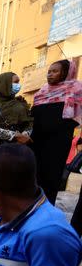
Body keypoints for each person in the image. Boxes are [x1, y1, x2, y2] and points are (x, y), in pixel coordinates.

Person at [30, 60, 82, 204]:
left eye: (55, 71)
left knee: (50, 181)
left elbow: (75, 118)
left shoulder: (75, 89)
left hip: (57, 144)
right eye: (49, 71)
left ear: (65, 73)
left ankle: (45, 214)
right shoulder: (42, 92)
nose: (50, 74)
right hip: (36, 142)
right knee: (33, 179)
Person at [0, 72, 32, 145]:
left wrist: (25, 135)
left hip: (17, 149)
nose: (18, 85)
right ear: (4, 85)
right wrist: (13, 135)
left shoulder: (20, 104)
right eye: (15, 82)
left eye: (18, 82)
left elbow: (29, 124)